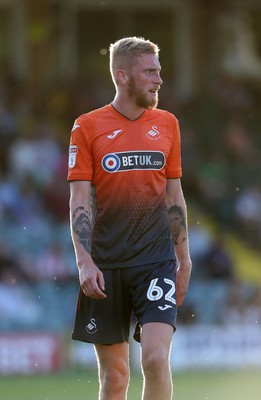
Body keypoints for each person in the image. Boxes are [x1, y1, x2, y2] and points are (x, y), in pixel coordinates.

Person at [67, 36, 192, 400]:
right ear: (122, 76)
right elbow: (78, 201)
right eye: (150, 71)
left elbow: (174, 196)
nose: (159, 79)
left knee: (154, 360)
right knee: (116, 375)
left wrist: (183, 259)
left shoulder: (167, 124)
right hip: (106, 265)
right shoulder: (87, 126)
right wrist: (84, 261)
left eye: (159, 71)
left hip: (155, 261)